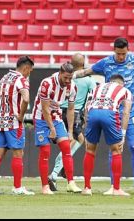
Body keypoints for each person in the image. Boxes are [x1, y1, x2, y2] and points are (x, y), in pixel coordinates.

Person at [74, 37, 134, 196]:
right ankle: (114, 185)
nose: (121, 57)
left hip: (131, 111)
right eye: (119, 54)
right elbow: (87, 71)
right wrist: (70, 75)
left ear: (128, 50)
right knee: (113, 149)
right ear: (114, 50)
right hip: (111, 111)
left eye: (124, 54)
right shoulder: (105, 63)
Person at [0, 56, 35, 196]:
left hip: (2, 122)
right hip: (14, 123)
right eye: (30, 71)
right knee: (18, 153)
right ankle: (17, 187)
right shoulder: (21, 80)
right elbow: (26, 98)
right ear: (25, 68)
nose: (29, 73)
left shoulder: (6, 77)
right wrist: (21, 115)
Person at [47, 53, 97, 192]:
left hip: (57, 110)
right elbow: (91, 99)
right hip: (73, 113)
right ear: (83, 64)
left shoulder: (64, 77)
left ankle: (62, 169)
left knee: (79, 140)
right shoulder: (88, 80)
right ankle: (55, 173)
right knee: (73, 142)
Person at [33, 62, 82, 195]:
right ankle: (45, 187)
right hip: (41, 118)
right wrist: (51, 129)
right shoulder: (47, 84)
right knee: (45, 151)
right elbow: (44, 108)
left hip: (57, 117)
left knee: (67, 147)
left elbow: (71, 109)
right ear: (60, 73)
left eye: (70, 78)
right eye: (65, 77)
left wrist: (70, 131)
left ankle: (70, 183)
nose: (67, 81)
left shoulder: (72, 87)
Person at [81, 74, 133, 196]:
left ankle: (87, 188)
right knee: (116, 150)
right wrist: (123, 134)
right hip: (109, 113)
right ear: (121, 83)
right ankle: (116, 189)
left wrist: (86, 125)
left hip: (93, 113)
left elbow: (86, 108)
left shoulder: (97, 87)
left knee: (90, 150)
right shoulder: (125, 90)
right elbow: (126, 112)